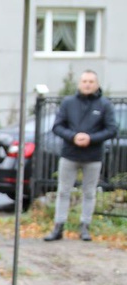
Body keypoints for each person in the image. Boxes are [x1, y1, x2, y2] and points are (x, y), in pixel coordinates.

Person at [45, 70, 117, 242]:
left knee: (89, 192)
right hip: (69, 154)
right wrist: (73, 136)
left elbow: (111, 129)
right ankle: (58, 226)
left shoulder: (104, 105)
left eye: (91, 81)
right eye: (84, 81)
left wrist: (91, 138)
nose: (87, 84)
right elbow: (57, 126)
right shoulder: (68, 103)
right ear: (79, 83)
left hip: (93, 156)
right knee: (63, 191)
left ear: (97, 84)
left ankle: (85, 227)